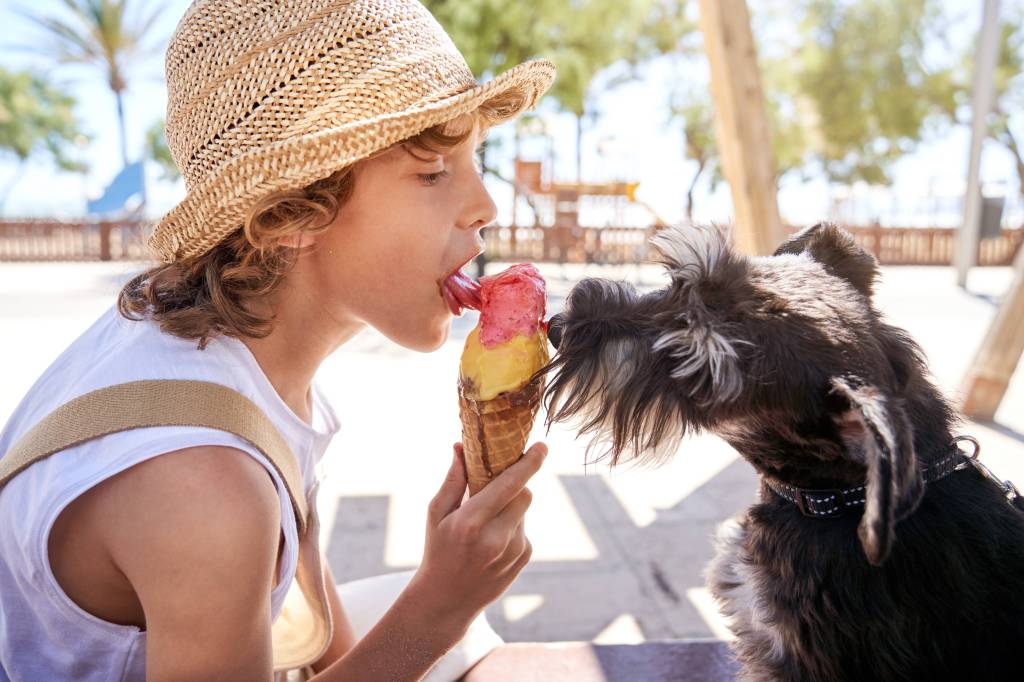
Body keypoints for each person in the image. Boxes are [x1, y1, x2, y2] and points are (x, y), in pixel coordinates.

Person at [0, 0, 555, 679]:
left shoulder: (219, 347)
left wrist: (440, 602)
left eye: (473, 160)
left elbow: (326, 645)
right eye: (432, 172)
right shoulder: (204, 486)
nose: (486, 205)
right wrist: (439, 608)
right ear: (290, 212)